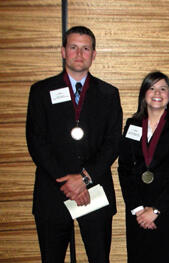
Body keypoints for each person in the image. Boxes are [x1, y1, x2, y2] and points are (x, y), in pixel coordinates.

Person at [26, 26, 122, 262]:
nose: (79, 54)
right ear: (63, 51)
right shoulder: (41, 91)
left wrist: (84, 179)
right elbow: (36, 141)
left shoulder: (109, 94)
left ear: (94, 54)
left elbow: (112, 143)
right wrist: (67, 181)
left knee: (99, 258)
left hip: (95, 191)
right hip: (53, 192)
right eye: (73, 47)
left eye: (86, 48)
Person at [118, 71, 169, 263]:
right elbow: (124, 169)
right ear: (144, 94)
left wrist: (156, 210)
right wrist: (138, 209)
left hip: (168, 211)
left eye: (163, 88)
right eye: (152, 88)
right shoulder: (132, 124)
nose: (157, 93)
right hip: (138, 212)